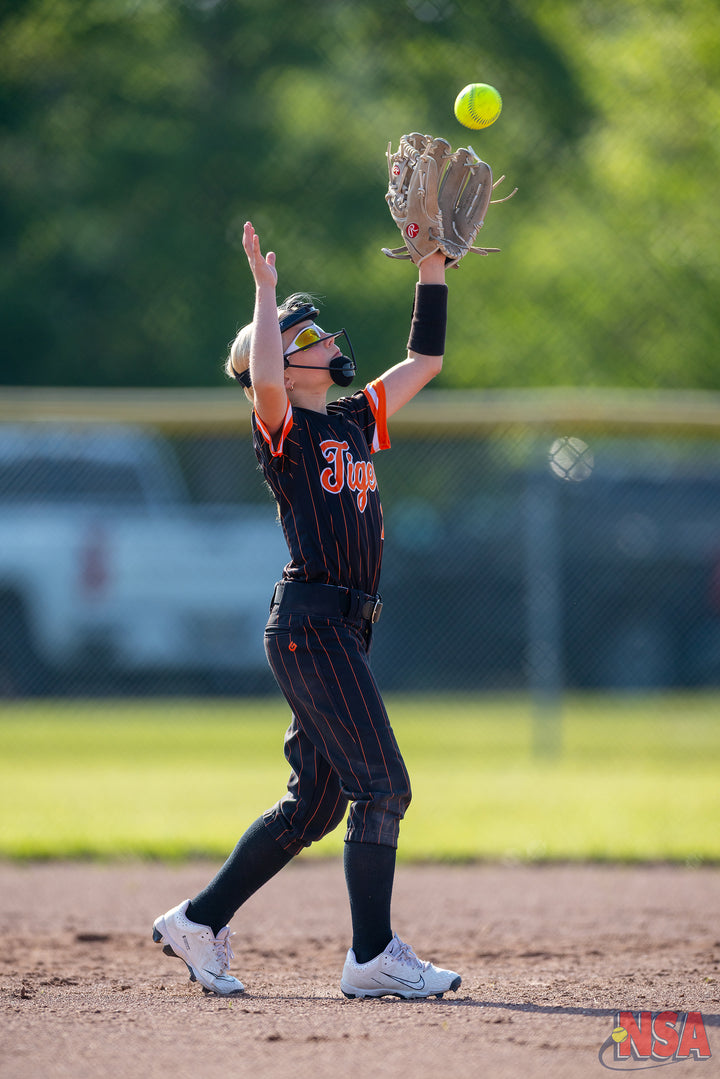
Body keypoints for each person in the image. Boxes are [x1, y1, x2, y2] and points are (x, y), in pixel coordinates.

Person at [152, 220, 461, 1000]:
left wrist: (432, 269)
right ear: (285, 367)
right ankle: (372, 955)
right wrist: (264, 293)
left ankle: (198, 919)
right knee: (382, 786)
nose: (327, 341)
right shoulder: (283, 429)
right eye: (308, 336)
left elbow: (427, 359)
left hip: (340, 632)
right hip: (311, 627)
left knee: (315, 803)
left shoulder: (353, 421)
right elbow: (258, 384)